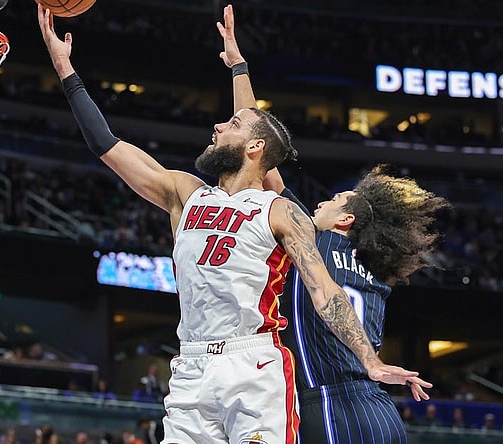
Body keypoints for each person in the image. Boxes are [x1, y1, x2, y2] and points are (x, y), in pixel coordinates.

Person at [37, 6, 427, 443]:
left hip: (253, 364)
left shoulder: (280, 210)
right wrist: (65, 69)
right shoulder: (185, 193)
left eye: (232, 124)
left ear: (256, 147)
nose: (218, 124)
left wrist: (368, 360)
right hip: (191, 366)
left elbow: (324, 290)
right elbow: (105, 143)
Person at [216, 5, 446, 443]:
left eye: (335, 198)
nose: (323, 199)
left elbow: (258, 153)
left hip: (331, 404)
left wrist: (238, 70)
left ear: (345, 219)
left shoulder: (316, 241)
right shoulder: (373, 269)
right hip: (378, 410)